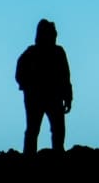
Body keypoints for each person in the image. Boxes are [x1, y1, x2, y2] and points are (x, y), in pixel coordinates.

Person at [15, 18, 74, 155]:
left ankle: (57, 152)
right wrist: (28, 87)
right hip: (36, 98)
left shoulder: (58, 53)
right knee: (33, 129)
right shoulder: (31, 54)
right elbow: (19, 74)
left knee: (57, 129)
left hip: (52, 97)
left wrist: (68, 97)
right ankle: (30, 155)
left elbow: (65, 77)